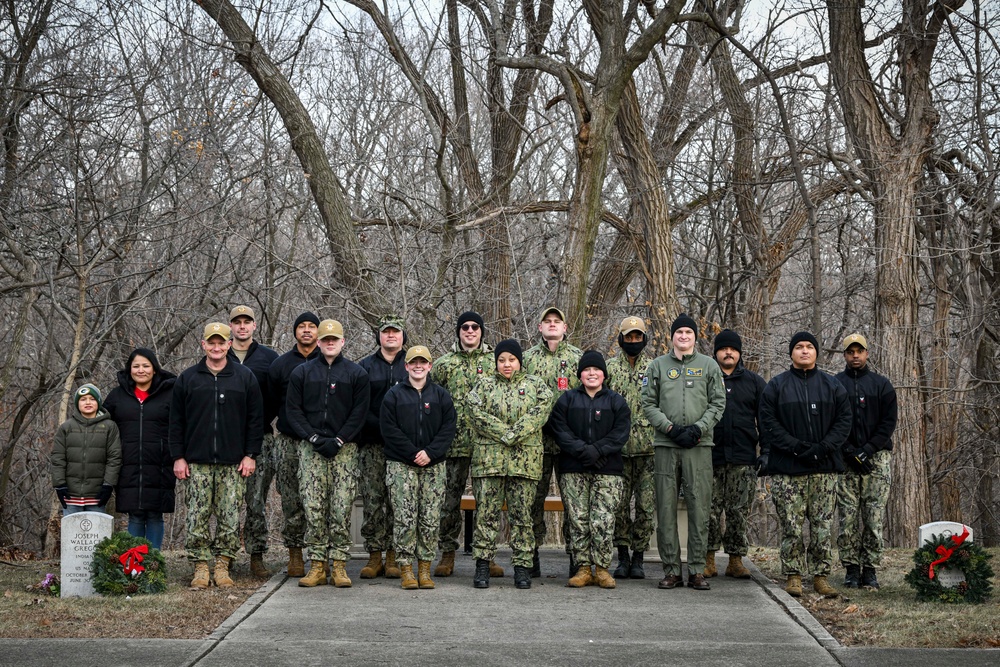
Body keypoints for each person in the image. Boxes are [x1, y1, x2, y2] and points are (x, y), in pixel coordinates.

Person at [758, 331, 852, 598]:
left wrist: (823, 448)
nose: (804, 351)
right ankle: (794, 575)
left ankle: (821, 576)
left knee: (822, 525)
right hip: (788, 469)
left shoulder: (833, 386)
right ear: (791, 353)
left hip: (824, 468)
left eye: (809, 347)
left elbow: (844, 422)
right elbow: (768, 424)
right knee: (791, 524)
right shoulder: (776, 386)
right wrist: (797, 447)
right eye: (799, 347)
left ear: (816, 352)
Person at [169, 323, 263, 589]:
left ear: (229, 345)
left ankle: (222, 564)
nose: (217, 347)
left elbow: (255, 421)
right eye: (212, 343)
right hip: (196, 462)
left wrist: (250, 455)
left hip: (233, 462)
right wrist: (178, 456)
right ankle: (200, 565)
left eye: (221, 342)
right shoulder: (188, 379)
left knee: (229, 516)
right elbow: (175, 422)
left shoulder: (244, 377)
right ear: (203, 345)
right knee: (197, 515)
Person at [642, 313, 726, 591]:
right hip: (667, 445)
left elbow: (717, 402)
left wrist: (698, 429)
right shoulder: (657, 366)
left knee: (699, 508)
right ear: (672, 337)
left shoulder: (708, 366)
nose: (684, 337)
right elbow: (648, 403)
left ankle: (697, 570)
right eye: (679, 332)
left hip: (698, 446)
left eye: (689, 332)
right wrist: (669, 428)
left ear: (695, 336)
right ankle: (671, 570)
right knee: (665, 508)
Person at [285, 319, 370, 588]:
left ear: (343, 342)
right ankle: (318, 565)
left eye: (335, 339)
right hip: (311, 450)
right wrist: (313, 437)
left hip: (345, 450)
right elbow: (293, 411)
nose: (330, 343)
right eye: (325, 339)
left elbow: (360, 412)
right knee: (313, 507)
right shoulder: (302, 372)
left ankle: (339, 565)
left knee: (341, 507)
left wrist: (340, 439)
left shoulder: (356, 374)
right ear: (318, 343)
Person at [466, 339, 552, 589]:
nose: (506, 364)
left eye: (511, 360)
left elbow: (540, 412)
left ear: (519, 362)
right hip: (489, 462)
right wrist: (504, 432)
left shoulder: (535, 385)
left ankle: (522, 567)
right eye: (502, 360)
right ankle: (483, 563)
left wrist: (515, 433)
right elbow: (474, 412)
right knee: (486, 516)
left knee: (522, 516)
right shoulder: (483, 385)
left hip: (524, 463)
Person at [549, 350, 630, 589]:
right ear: (580, 375)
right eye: (586, 370)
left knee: (602, 520)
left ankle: (602, 569)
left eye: (596, 369)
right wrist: (583, 451)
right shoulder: (567, 400)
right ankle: (583, 568)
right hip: (574, 468)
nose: (591, 373)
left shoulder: (616, 401)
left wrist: (599, 450)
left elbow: (621, 432)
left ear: (604, 374)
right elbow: (559, 429)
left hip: (608, 469)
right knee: (578, 520)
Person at [380, 345, 457, 590]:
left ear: (430, 366)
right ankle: (406, 569)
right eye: (414, 362)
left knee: (430, 518)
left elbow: (448, 428)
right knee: (404, 517)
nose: (418, 366)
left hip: (433, 466)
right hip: (402, 465)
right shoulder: (394, 395)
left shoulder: (441, 395)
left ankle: (424, 568)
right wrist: (412, 453)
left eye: (423, 362)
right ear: (407, 366)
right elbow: (389, 430)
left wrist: (430, 452)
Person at [430, 311, 499, 578]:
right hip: (452, 444)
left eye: (475, 327)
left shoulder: (495, 362)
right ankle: (447, 553)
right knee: (448, 501)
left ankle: (487, 556)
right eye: (465, 327)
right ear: (458, 332)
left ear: (482, 331)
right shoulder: (444, 364)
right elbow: (432, 403)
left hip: (486, 445)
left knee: (487, 502)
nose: (470, 331)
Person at [835, 333, 897, 590]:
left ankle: (870, 569)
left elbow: (888, 422)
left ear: (867, 353)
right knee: (847, 517)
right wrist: (850, 451)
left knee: (873, 517)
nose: (855, 355)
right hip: (845, 459)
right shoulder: (835, 385)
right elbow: (832, 422)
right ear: (845, 355)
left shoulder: (882, 385)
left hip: (877, 458)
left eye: (860, 351)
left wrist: (868, 450)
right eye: (851, 351)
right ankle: (851, 569)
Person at [523, 306, 581, 577]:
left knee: (573, 501)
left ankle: (576, 557)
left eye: (557, 321)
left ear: (565, 327)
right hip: (537, 443)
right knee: (533, 501)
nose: (552, 325)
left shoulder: (578, 358)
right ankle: (530, 554)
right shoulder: (526, 359)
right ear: (540, 328)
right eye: (547, 321)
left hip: (570, 442)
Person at [707, 329, 766, 579]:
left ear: (739, 352)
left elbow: (765, 420)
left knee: (739, 510)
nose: (728, 352)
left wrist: (766, 451)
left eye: (732, 349)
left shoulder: (754, 382)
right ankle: (708, 558)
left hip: (743, 458)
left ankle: (735, 560)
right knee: (708, 510)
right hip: (710, 457)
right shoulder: (706, 378)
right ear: (716, 352)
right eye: (723, 349)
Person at [104, 348, 177, 549]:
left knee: (155, 514)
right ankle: (136, 565)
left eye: (146, 366)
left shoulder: (170, 393)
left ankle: (153, 564)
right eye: (136, 366)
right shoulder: (117, 396)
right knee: (135, 514)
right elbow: (102, 428)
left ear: (154, 369)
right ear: (129, 369)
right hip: (128, 465)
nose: (141, 370)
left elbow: (181, 425)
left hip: (160, 464)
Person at [266, 311, 321, 577]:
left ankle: (323, 555)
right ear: (295, 331)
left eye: (312, 326)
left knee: (322, 500)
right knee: (291, 498)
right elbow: (272, 402)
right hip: (288, 441)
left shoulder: (329, 362)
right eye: (302, 327)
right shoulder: (281, 364)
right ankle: (296, 554)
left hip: (320, 443)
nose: (307, 330)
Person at [228, 305, 279, 577]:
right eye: (237, 322)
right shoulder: (220, 356)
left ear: (254, 326)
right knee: (226, 503)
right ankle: (225, 554)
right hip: (226, 442)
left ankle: (256, 556)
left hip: (261, 439)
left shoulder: (269, 358)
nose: (242, 326)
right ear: (231, 327)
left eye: (247, 321)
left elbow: (278, 397)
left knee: (256, 500)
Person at [357, 314, 409, 579]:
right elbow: (359, 407)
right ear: (379, 335)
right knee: (373, 499)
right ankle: (375, 555)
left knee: (398, 501)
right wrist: (381, 428)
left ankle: (394, 556)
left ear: (402, 336)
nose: (391, 336)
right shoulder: (364, 367)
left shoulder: (412, 365)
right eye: (386, 331)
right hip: (372, 444)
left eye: (395, 332)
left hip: (402, 448)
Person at [606, 315, 656, 579]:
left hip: (650, 451)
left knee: (647, 508)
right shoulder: (609, 368)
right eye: (629, 337)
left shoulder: (655, 368)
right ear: (621, 339)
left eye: (638, 337)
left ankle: (639, 558)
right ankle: (623, 557)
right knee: (620, 507)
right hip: (619, 451)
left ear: (644, 339)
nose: (634, 341)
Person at [52, 384, 122, 515]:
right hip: (70, 494)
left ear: (99, 402)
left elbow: (114, 458)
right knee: (72, 534)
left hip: (97, 494)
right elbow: (57, 458)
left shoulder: (109, 427)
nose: (88, 402)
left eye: (92, 399)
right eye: (83, 399)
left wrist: (108, 485)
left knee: (97, 534)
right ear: (77, 403)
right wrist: (59, 484)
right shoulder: (67, 427)